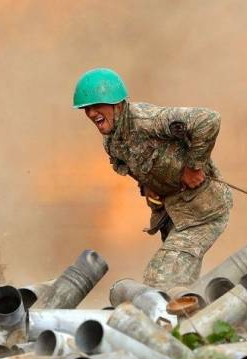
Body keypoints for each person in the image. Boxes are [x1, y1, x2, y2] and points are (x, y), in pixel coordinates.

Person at [73, 67, 233, 290]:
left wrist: (193, 167)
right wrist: (149, 186)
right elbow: (138, 166)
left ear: (117, 103)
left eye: (96, 106)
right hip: (174, 215)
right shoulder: (112, 141)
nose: (91, 113)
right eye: (86, 109)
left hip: (203, 210)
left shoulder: (148, 120)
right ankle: (194, 318)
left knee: (162, 280)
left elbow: (208, 120)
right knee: (179, 283)